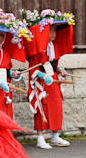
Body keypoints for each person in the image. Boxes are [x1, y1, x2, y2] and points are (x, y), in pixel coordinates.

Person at [23, 10, 75, 149]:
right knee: (42, 108)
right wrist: (42, 76)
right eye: (50, 31)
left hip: (54, 82)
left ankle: (55, 135)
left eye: (54, 31)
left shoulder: (55, 46)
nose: (53, 34)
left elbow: (55, 64)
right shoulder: (37, 48)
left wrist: (60, 70)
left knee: (57, 107)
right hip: (42, 83)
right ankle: (40, 137)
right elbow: (33, 69)